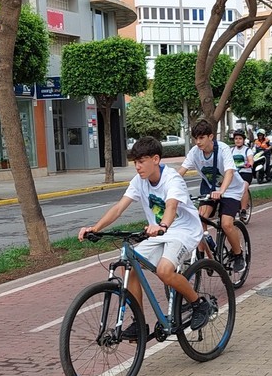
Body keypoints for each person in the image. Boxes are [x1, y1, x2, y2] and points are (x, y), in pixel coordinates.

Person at [78, 136, 211, 332]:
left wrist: (163, 225)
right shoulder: (139, 181)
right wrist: (95, 228)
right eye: (135, 163)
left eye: (141, 162)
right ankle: (138, 322)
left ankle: (199, 304)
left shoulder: (172, 179)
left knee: (165, 271)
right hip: (159, 233)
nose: (137, 167)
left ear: (155, 159)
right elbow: (119, 208)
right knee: (128, 265)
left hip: (183, 231)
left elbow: (171, 206)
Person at [178, 119, 245, 272]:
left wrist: (221, 191)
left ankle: (238, 254)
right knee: (200, 219)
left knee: (226, 224)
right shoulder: (195, 152)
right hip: (209, 188)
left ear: (211, 136)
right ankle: (205, 257)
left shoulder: (223, 149)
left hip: (231, 189)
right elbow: (181, 172)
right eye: (195, 138)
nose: (198, 142)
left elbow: (229, 172)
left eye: (201, 138)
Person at [229, 128, 254, 214]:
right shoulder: (231, 150)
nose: (238, 140)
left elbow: (250, 160)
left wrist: (249, 164)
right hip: (234, 173)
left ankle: (243, 210)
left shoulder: (247, 150)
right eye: (236, 139)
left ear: (243, 140)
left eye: (240, 139)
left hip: (245, 173)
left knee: (243, 188)